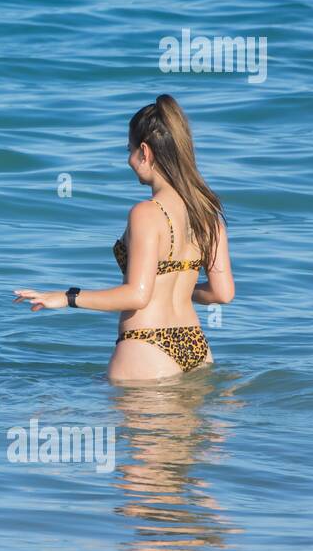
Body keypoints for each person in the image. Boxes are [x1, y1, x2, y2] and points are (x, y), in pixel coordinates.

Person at [13, 95, 235, 381]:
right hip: (195, 346)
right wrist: (175, 289)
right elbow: (223, 293)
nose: (128, 160)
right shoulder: (208, 215)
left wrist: (67, 298)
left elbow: (137, 295)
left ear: (145, 152)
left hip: (146, 345)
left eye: (129, 150)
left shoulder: (146, 213)